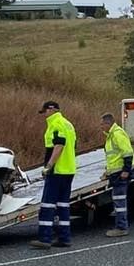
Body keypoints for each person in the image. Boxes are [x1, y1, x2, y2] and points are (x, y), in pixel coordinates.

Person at [29, 100, 77, 250]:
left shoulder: (56, 123)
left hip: (57, 171)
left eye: (45, 111)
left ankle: (45, 239)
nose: (44, 115)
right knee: (63, 205)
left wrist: (49, 166)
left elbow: (59, 145)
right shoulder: (68, 124)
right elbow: (73, 146)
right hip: (69, 170)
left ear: (51, 110)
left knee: (47, 205)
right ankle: (64, 238)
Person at [102, 112, 134, 237]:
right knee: (118, 200)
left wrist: (126, 170)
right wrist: (108, 171)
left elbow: (127, 153)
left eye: (102, 124)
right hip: (117, 172)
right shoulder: (111, 135)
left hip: (122, 172)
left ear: (108, 123)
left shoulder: (117, 134)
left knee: (119, 200)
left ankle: (122, 227)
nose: (101, 127)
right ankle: (121, 226)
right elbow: (113, 157)